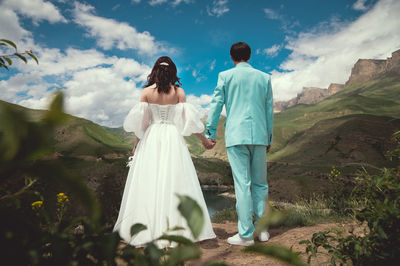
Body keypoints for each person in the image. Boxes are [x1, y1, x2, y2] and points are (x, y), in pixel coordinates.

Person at [113, 56, 216, 248]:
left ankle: (146, 229)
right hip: (172, 137)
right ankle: (176, 228)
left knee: (149, 181)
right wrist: (204, 141)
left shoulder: (145, 92)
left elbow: (142, 125)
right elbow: (190, 122)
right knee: (175, 180)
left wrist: (136, 146)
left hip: (151, 138)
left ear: (155, 71)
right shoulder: (179, 92)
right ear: (173, 72)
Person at [205, 42, 274, 246]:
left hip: (236, 137)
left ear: (232, 57)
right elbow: (268, 110)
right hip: (260, 136)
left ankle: (245, 235)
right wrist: (269, 137)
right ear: (249, 56)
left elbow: (216, 104)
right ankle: (262, 231)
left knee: (242, 185)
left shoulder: (225, 76)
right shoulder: (264, 78)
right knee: (260, 183)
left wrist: (210, 131)